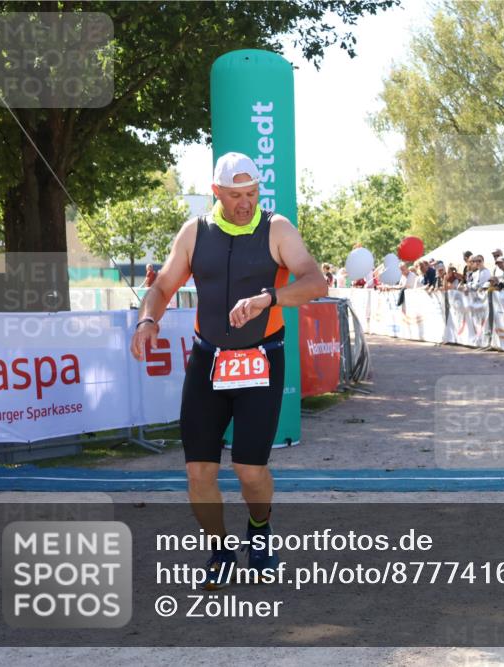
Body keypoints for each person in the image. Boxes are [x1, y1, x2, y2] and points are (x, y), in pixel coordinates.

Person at [130, 152, 328, 587]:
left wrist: (269, 299)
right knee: (198, 471)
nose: (245, 203)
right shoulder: (195, 232)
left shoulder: (276, 228)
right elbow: (163, 285)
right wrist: (148, 319)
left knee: (249, 471)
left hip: (261, 358)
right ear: (216, 192)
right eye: (236, 195)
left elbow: (316, 281)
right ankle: (219, 549)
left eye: (252, 194)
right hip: (209, 360)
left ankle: (259, 530)